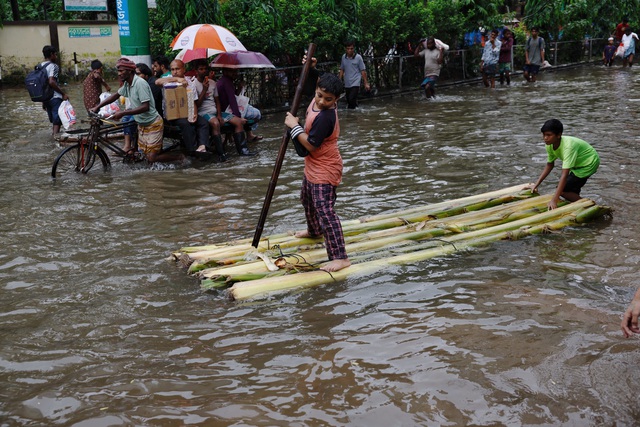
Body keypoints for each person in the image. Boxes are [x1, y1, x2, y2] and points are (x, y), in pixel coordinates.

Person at [284, 72, 351, 272]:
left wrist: (294, 126)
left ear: (336, 100)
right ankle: (314, 231)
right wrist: (311, 67)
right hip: (313, 164)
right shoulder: (318, 95)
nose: (321, 101)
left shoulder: (327, 117)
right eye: (319, 95)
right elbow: (315, 82)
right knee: (306, 198)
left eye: (328, 99)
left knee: (325, 210)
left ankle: (340, 257)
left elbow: (311, 145)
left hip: (325, 166)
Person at [90, 57, 182, 164]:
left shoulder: (140, 83)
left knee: (152, 157)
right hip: (142, 124)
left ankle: (179, 157)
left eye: (121, 71)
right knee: (142, 157)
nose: (119, 74)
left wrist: (123, 112)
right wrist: (97, 107)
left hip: (152, 123)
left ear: (129, 71)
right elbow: (116, 95)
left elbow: (145, 107)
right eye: (118, 71)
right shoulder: (127, 84)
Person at [526, 119, 600, 210]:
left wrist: (554, 199)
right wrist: (536, 185)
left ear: (559, 135)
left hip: (588, 163)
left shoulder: (568, 147)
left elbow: (564, 175)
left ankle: (591, 206)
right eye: (544, 135)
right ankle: (578, 203)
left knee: (563, 191)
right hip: (577, 163)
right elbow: (549, 165)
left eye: (549, 135)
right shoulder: (549, 145)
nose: (545, 138)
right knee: (570, 189)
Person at [155, 59, 211, 155]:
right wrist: (176, 79)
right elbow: (157, 82)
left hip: (187, 112)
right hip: (172, 116)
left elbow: (193, 100)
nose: (175, 72)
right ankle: (192, 150)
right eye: (172, 69)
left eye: (177, 69)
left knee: (203, 123)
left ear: (184, 69)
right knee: (185, 124)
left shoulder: (190, 82)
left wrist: (194, 114)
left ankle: (202, 147)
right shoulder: (167, 79)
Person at [216, 68, 256, 156]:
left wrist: (239, 88)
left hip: (225, 110)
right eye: (232, 71)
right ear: (225, 71)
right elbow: (232, 100)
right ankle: (243, 150)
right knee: (255, 114)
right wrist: (238, 116)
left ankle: (242, 144)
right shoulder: (226, 82)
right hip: (224, 111)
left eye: (236, 71)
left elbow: (232, 96)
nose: (235, 73)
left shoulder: (226, 81)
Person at [192, 60, 226, 162]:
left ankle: (243, 151)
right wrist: (204, 90)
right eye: (201, 69)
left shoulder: (213, 83)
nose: (204, 71)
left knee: (239, 121)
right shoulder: (194, 85)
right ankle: (221, 154)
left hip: (214, 111)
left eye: (205, 69)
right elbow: (196, 105)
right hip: (203, 113)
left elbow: (217, 101)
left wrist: (219, 115)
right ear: (196, 71)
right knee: (215, 123)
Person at [40, 45, 69, 135]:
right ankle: (55, 140)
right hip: (55, 97)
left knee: (54, 120)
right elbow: (51, 82)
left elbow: (41, 84)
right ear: (52, 54)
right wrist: (63, 94)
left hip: (46, 98)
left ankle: (53, 137)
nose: (56, 57)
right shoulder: (53, 66)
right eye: (55, 54)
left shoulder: (40, 66)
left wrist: (43, 101)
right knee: (57, 121)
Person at [338, 40, 370, 109]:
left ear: (354, 49)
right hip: (347, 82)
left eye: (351, 49)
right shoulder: (344, 57)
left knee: (351, 99)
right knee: (349, 100)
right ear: (345, 49)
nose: (350, 50)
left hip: (355, 82)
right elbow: (342, 69)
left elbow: (363, 70)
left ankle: (352, 115)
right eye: (348, 49)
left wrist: (366, 83)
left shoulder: (358, 58)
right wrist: (339, 80)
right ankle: (354, 112)